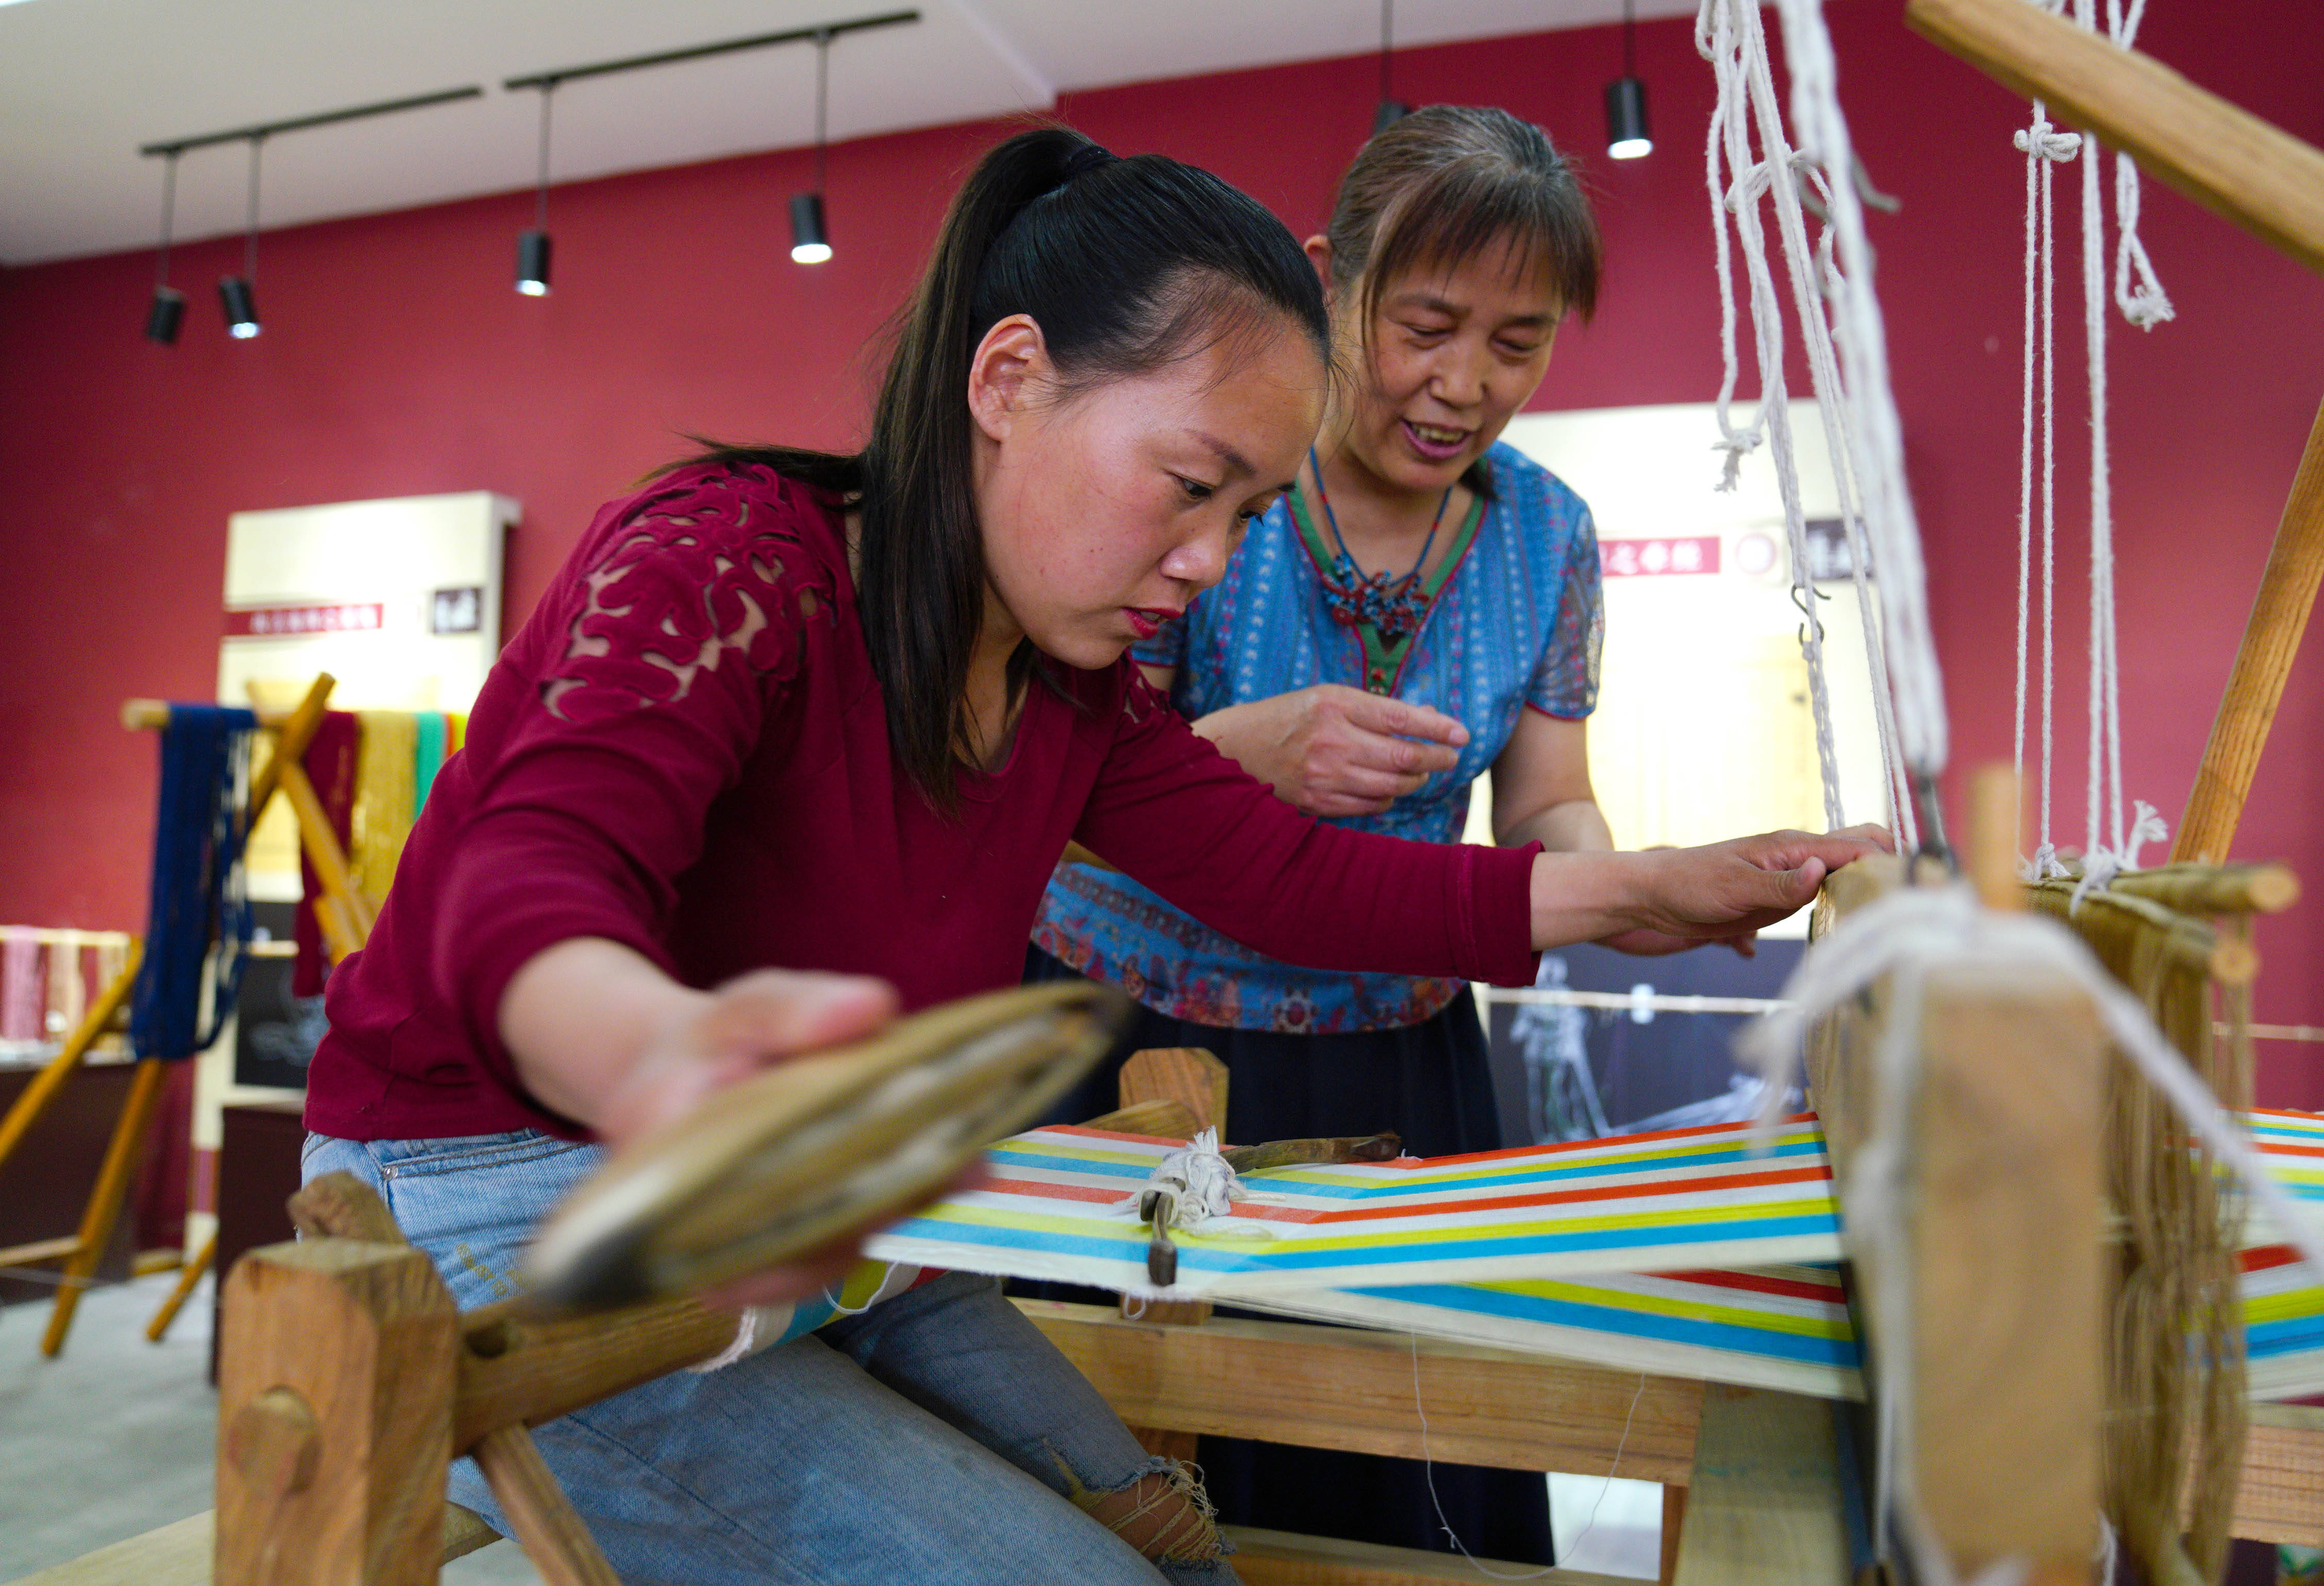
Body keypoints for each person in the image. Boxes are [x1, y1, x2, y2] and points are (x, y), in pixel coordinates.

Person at [301, 125, 1879, 1586]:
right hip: (505, 1188)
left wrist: (1645, 894)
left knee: (1173, 1548)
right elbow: (519, 880)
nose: (1203, 561)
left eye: (1247, 513)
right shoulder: (726, 563)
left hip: (820, 1195)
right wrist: (662, 1053)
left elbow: (1293, 879)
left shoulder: (1071, 688)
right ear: (1008, 380)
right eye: (1189, 487)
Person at [1030, 106, 1858, 1561]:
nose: (1461, 382)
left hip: (1396, 1064)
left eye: (1515, 343)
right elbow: (1061, 793)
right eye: (1424, 323)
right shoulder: (1222, 485)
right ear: (1325, 282)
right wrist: (1243, 755)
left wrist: (1626, 885)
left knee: (1395, 1481)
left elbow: (1543, 796)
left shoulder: (1545, 533)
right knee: (1124, 1458)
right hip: (1129, 1043)